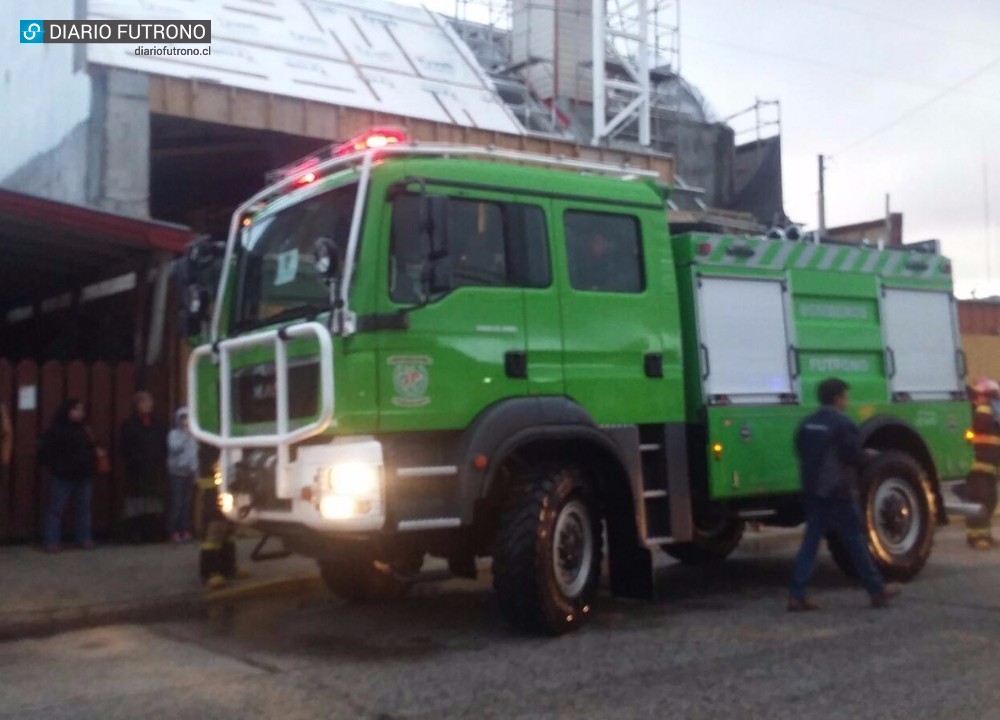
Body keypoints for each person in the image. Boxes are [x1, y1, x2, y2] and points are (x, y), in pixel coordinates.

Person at [787, 378, 901, 611]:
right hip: (837, 491)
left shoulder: (808, 423)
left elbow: (799, 449)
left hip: (813, 490)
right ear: (838, 398)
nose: (846, 401)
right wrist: (869, 455)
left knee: (810, 543)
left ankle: (796, 594)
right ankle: (877, 591)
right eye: (845, 397)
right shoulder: (843, 423)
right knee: (855, 540)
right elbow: (852, 456)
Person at [38, 399, 97, 553]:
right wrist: (55, 467)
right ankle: (52, 541)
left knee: (84, 510)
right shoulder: (56, 430)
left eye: (81, 409)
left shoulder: (85, 429)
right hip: (62, 476)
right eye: (76, 409)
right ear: (67, 411)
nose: (80, 412)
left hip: (83, 475)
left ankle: (84, 538)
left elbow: (92, 448)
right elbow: (44, 451)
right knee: (56, 510)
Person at [119, 391, 167, 543]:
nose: (148, 405)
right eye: (144, 402)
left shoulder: (158, 424)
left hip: (154, 468)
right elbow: (124, 446)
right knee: (136, 502)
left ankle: (152, 533)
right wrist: (135, 460)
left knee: (153, 501)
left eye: (149, 402)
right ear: (136, 405)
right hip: (136, 470)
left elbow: (163, 445)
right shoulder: (129, 425)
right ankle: (135, 534)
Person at [963, 377, 1000, 549]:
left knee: (990, 501)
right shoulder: (980, 412)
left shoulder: (992, 413)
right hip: (978, 467)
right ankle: (977, 538)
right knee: (980, 501)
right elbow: (973, 432)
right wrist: (985, 407)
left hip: (990, 469)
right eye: (991, 396)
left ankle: (984, 535)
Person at [167, 407, 197, 543]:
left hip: (189, 473)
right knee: (177, 503)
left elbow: (194, 455)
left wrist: (196, 471)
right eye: (183, 418)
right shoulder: (173, 434)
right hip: (177, 473)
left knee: (187, 503)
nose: (185, 421)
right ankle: (173, 531)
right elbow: (174, 449)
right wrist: (185, 435)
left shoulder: (194, 436)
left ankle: (185, 530)